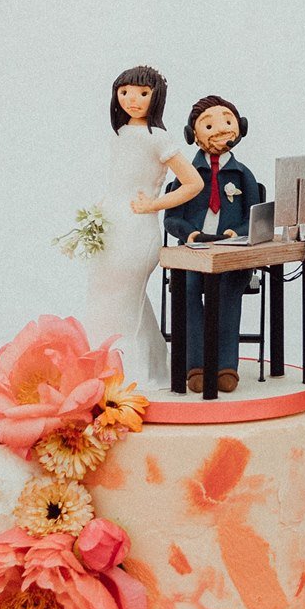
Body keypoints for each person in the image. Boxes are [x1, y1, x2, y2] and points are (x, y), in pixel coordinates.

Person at [84, 65, 204, 389]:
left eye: (142, 93)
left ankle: (125, 378)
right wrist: (101, 210)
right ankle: (149, 366)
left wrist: (153, 204)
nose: (132, 99)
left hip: (137, 230)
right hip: (112, 225)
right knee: (106, 294)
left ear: (156, 96)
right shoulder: (120, 135)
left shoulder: (159, 138)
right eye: (124, 92)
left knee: (121, 298)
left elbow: (193, 183)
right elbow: (118, 180)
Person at [165, 93, 265, 394]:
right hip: (194, 253)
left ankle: (225, 366)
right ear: (192, 135)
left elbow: (256, 216)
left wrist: (238, 232)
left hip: (231, 254)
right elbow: (172, 218)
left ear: (240, 127)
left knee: (227, 294)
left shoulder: (243, 174)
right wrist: (189, 233)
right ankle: (195, 365)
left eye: (227, 121)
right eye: (208, 125)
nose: (220, 129)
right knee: (189, 292)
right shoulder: (186, 174)